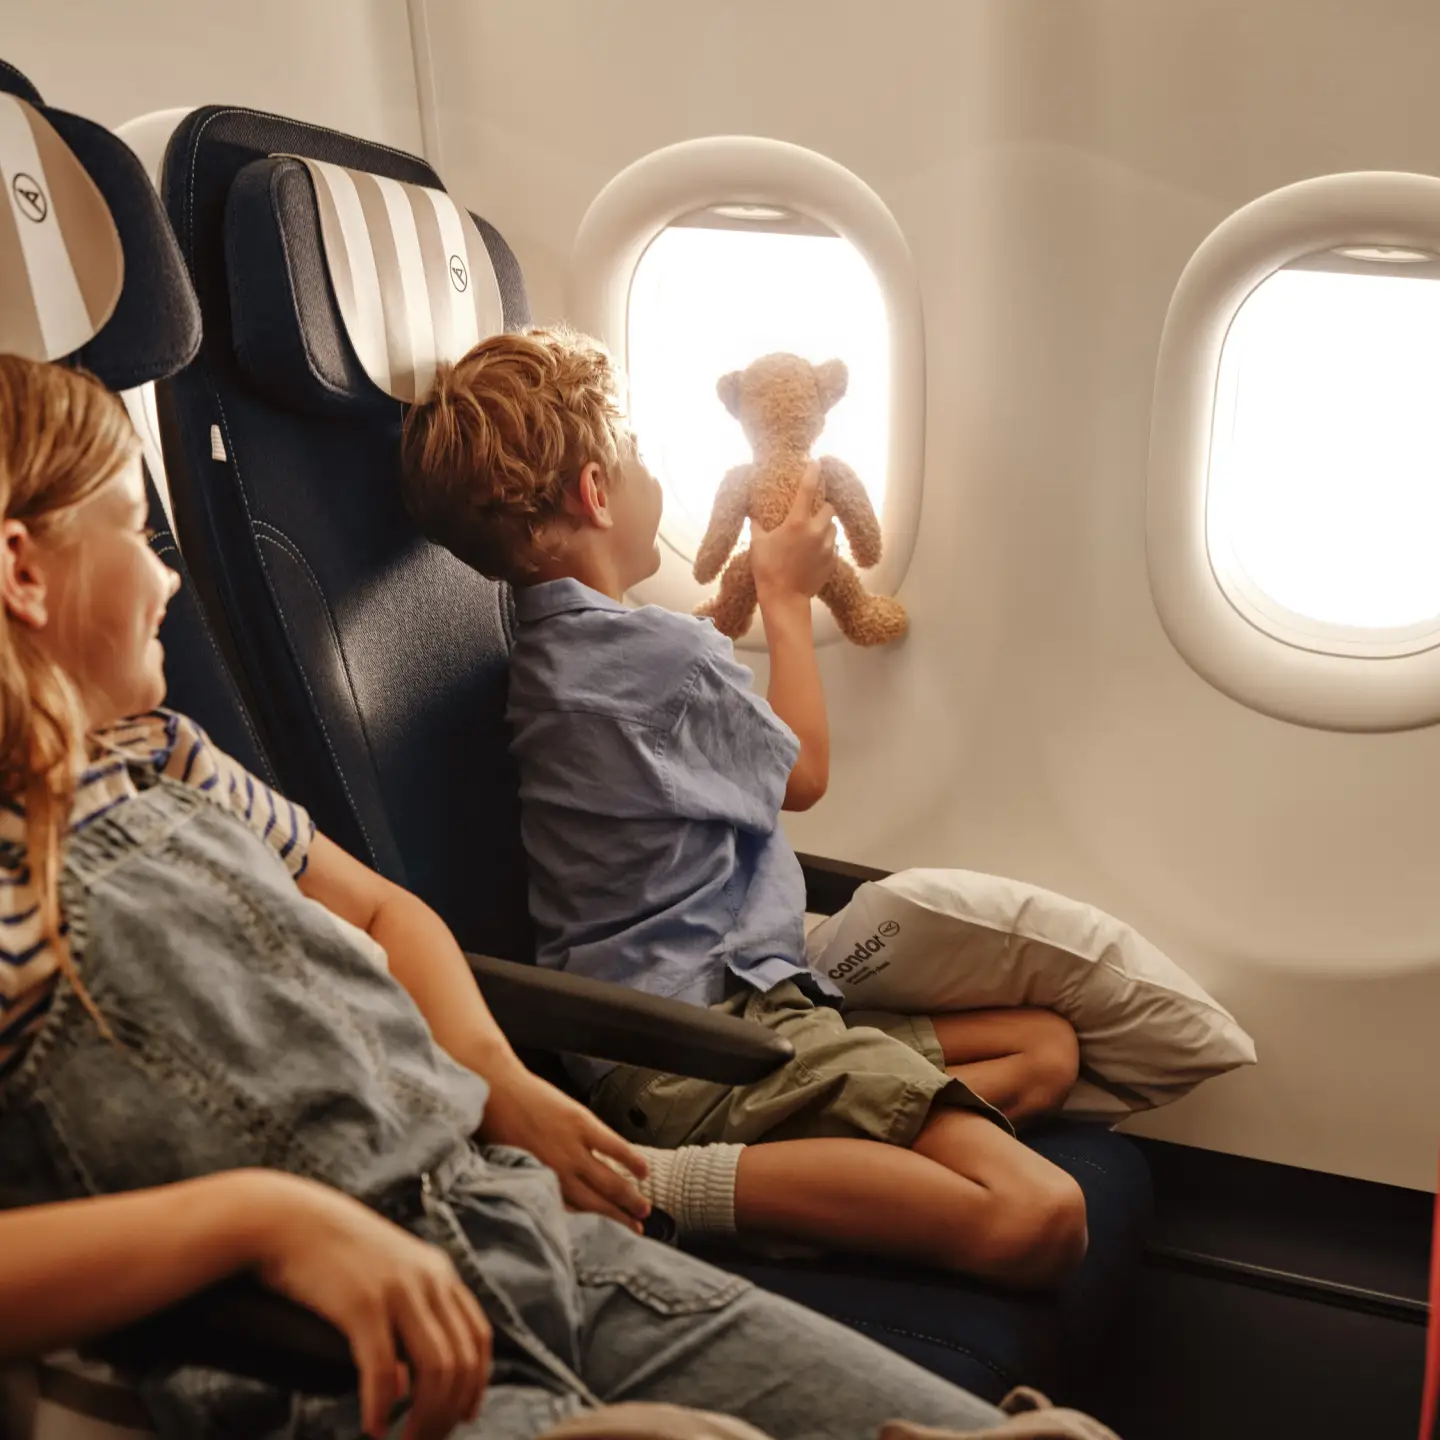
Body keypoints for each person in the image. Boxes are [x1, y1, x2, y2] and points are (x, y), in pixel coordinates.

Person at [0, 354, 1094, 1440]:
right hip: (331, 1340)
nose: (168, 578)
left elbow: (386, 915)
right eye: (137, 534)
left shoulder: (166, 752)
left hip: (508, 1225)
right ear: (24, 570)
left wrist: (497, 1082)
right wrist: (258, 1222)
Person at [399, 329, 1087, 1286]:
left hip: (703, 1018)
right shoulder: (662, 658)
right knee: (1041, 1215)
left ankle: (819, 1179)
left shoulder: (554, 655)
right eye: (635, 456)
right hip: (697, 1044)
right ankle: (666, 1185)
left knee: (1045, 1049)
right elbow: (802, 773)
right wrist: (782, 594)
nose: (651, 476)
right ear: (596, 492)